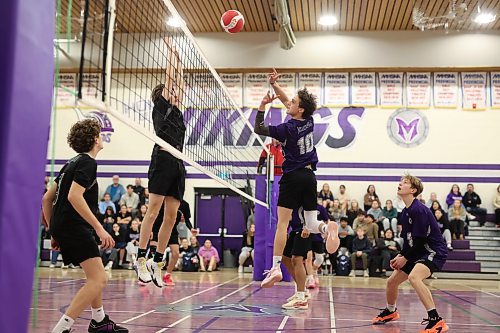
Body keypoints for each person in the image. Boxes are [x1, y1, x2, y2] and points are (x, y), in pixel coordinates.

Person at [253, 68, 339, 288]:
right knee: (310, 222)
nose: (288, 102)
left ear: (299, 109)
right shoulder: (308, 120)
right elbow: (286, 100)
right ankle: (325, 229)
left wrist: (262, 105)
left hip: (292, 176)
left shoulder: (285, 129)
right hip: (310, 176)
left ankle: (274, 268)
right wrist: (274, 85)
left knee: (282, 224)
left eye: (293, 102)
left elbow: (259, 128)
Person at [41, 119, 127, 333]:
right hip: (75, 226)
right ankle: (62, 328)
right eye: (99, 134)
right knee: (100, 278)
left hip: (64, 226)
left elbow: (45, 200)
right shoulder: (88, 162)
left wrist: (54, 230)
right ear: (95, 139)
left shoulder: (70, 163)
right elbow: (74, 196)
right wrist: (99, 227)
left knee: (94, 276)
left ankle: (99, 321)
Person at [135, 37, 187, 288]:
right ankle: (141, 257)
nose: (178, 90)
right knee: (153, 210)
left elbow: (181, 82)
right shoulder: (162, 105)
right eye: (174, 90)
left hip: (178, 162)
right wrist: (171, 54)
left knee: (171, 216)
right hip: (162, 158)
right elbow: (171, 80)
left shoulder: (177, 111)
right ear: (164, 95)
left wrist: (180, 62)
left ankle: (156, 260)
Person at [372, 174, 448, 333]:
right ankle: (391, 311)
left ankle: (436, 320)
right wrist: (401, 255)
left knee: (414, 277)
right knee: (391, 282)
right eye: (401, 181)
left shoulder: (419, 210)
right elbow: (409, 241)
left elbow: (420, 241)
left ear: (413, 190)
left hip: (432, 251)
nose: (400, 184)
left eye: (405, 182)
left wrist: (406, 258)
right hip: (417, 251)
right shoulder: (405, 212)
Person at [281, 207, 313, 309]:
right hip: (294, 229)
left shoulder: (305, 193)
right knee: (285, 258)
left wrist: (307, 226)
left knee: (297, 259)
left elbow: (311, 207)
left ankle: (300, 299)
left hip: (304, 229)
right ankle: (303, 290)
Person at [161, 208, 198, 286]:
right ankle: (151, 273)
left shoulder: (185, 205)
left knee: (176, 253)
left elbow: (187, 220)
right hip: (161, 228)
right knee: (158, 251)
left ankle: (167, 276)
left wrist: (191, 228)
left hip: (173, 231)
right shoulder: (165, 201)